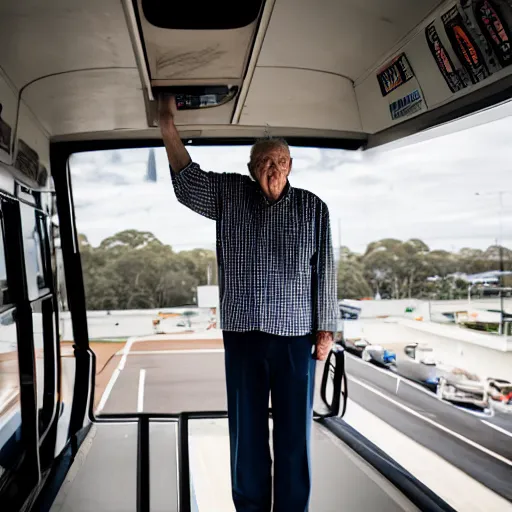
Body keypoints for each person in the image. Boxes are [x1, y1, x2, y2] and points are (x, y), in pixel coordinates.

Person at [159, 96, 338, 512]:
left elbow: (325, 272)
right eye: (262, 162)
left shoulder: (314, 208)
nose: (271, 169)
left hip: (296, 338)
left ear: (290, 166)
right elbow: (187, 183)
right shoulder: (229, 193)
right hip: (242, 336)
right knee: (246, 435)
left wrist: (326, 330)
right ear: (250, 168)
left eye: (278, 161)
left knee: (295, 434)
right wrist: (168, 126)